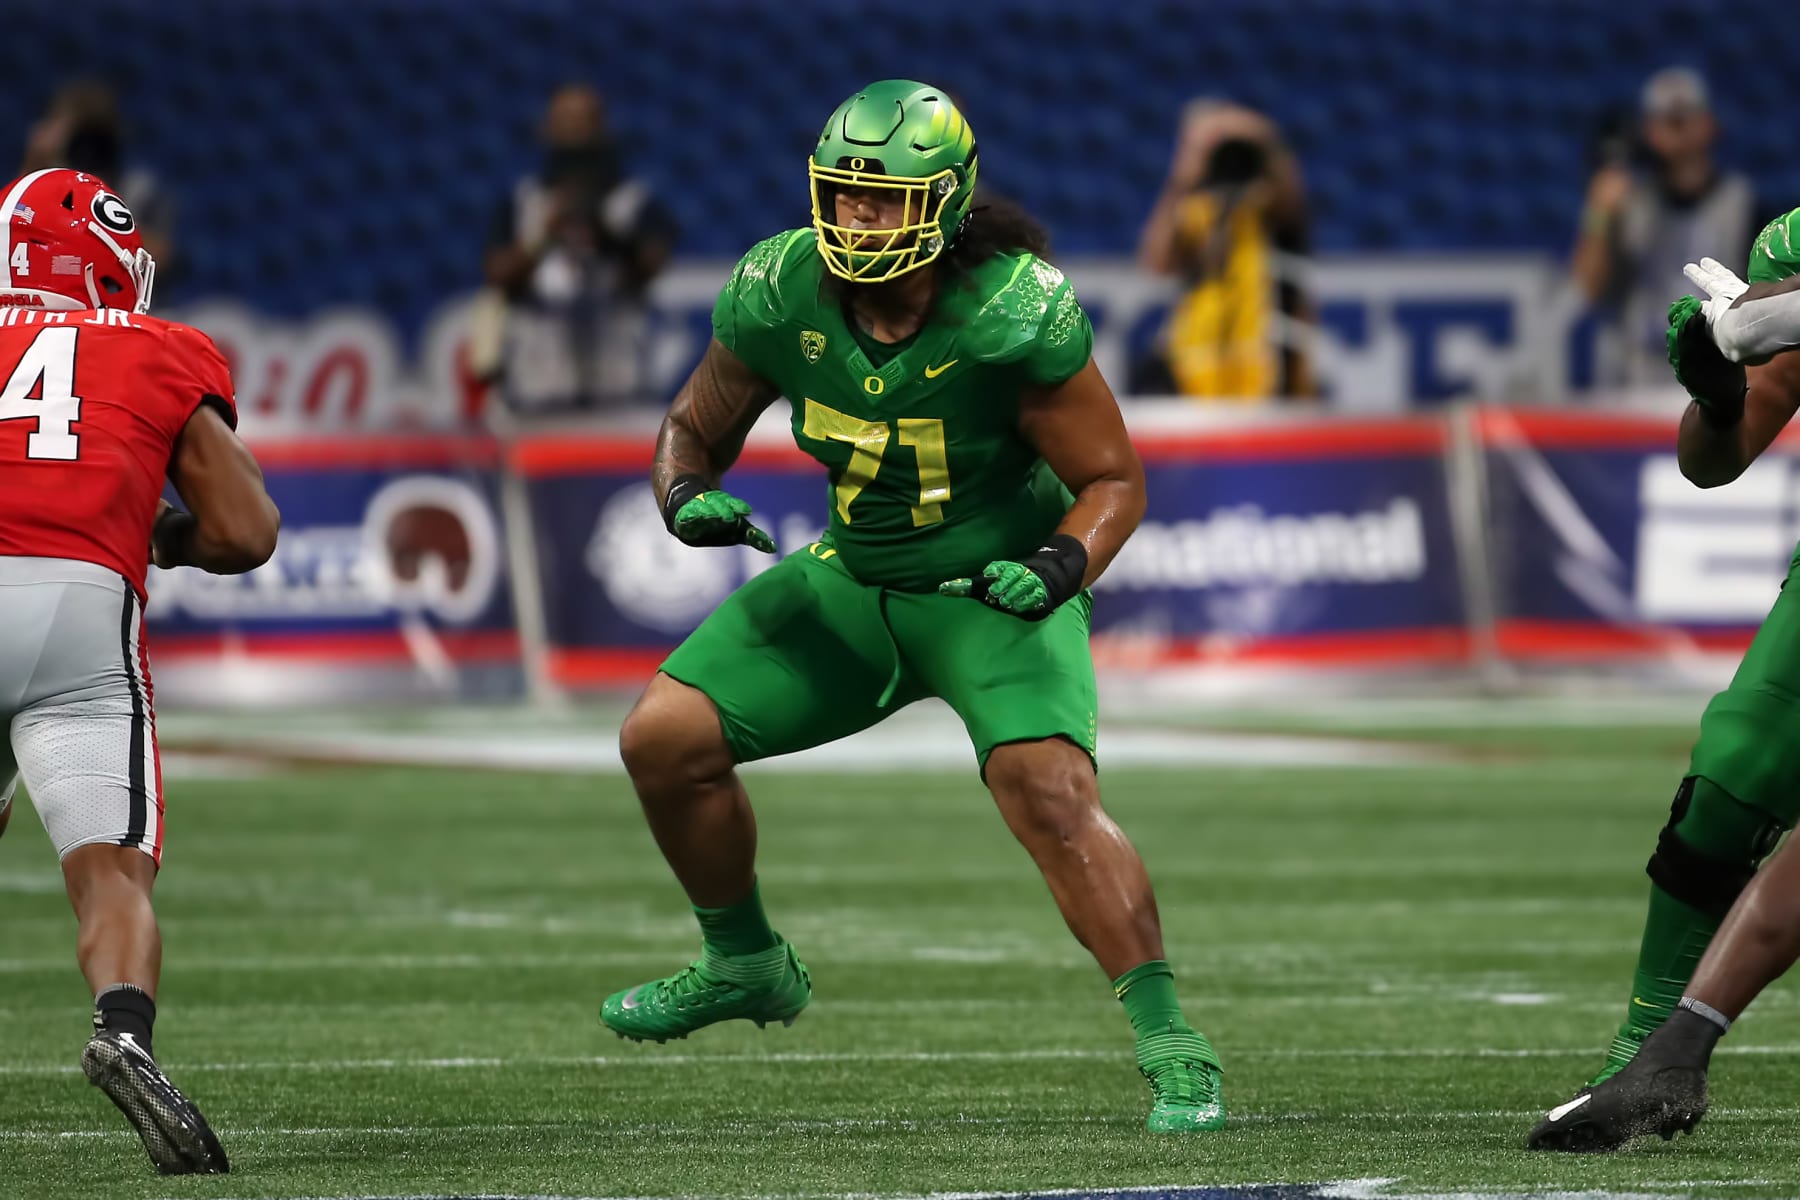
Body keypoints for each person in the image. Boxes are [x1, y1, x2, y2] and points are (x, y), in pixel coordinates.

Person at [596, 80, 1225, 1132]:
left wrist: (1063, 566)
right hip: (855, 580)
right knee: (661, 739)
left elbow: (1115, 482)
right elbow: (689, 428)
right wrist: (684, 495)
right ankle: (744, 962)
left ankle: (1174, 1043)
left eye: (883, 201)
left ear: (946, 204)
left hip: (989, 593)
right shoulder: (780, 288)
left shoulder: (1012, 314)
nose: (856, 220)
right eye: (842, 197)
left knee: (1052, 798)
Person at [0, 168, 280, 1174]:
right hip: (80, 610)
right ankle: (122, 1029)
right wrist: (165, 539)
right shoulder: (159, 348)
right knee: (110, 872)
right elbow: (248, 532)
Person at [1529, 208, 1800, 1151]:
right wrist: (1721, 396)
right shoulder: (1793, 245)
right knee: (1733, 767)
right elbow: (1713, 462)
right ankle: (1647, 1049)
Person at [478, 83, 678, 415]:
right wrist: (546, 234)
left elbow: (652, 265)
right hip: (538, 378)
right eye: (565, 120)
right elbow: (497, 273)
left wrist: (605, 233)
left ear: (602, 128)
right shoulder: (522, 202)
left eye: (584, 120)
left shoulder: (633, 202)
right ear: (546, 129)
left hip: (616, 375)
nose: (575, 132)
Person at [1573, 67, 1761, 389]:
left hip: (1722, 376)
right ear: (1648, 131)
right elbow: (1589, 290)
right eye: (1668, 121)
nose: (1679, 131)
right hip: (1641, 377)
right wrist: (1599, 215)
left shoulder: (1741, 204)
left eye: (1685, 118)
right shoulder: (1629, 205)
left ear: (1710, 125)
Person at [1135, 100, 1313, 401]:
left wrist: (1260, 135)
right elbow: (1157, 261)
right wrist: (1183, 178)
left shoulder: (1267, 204)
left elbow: (1292, 201)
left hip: (1271, 367)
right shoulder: (1193, 210)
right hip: (1197, 370)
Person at [21, 80, 177, 284]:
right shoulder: (44, 182)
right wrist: (33, 168)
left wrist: (100, 220)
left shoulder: (139, 187)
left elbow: (161, 256)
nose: (87, 150)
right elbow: (12, 235)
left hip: (121, 300)